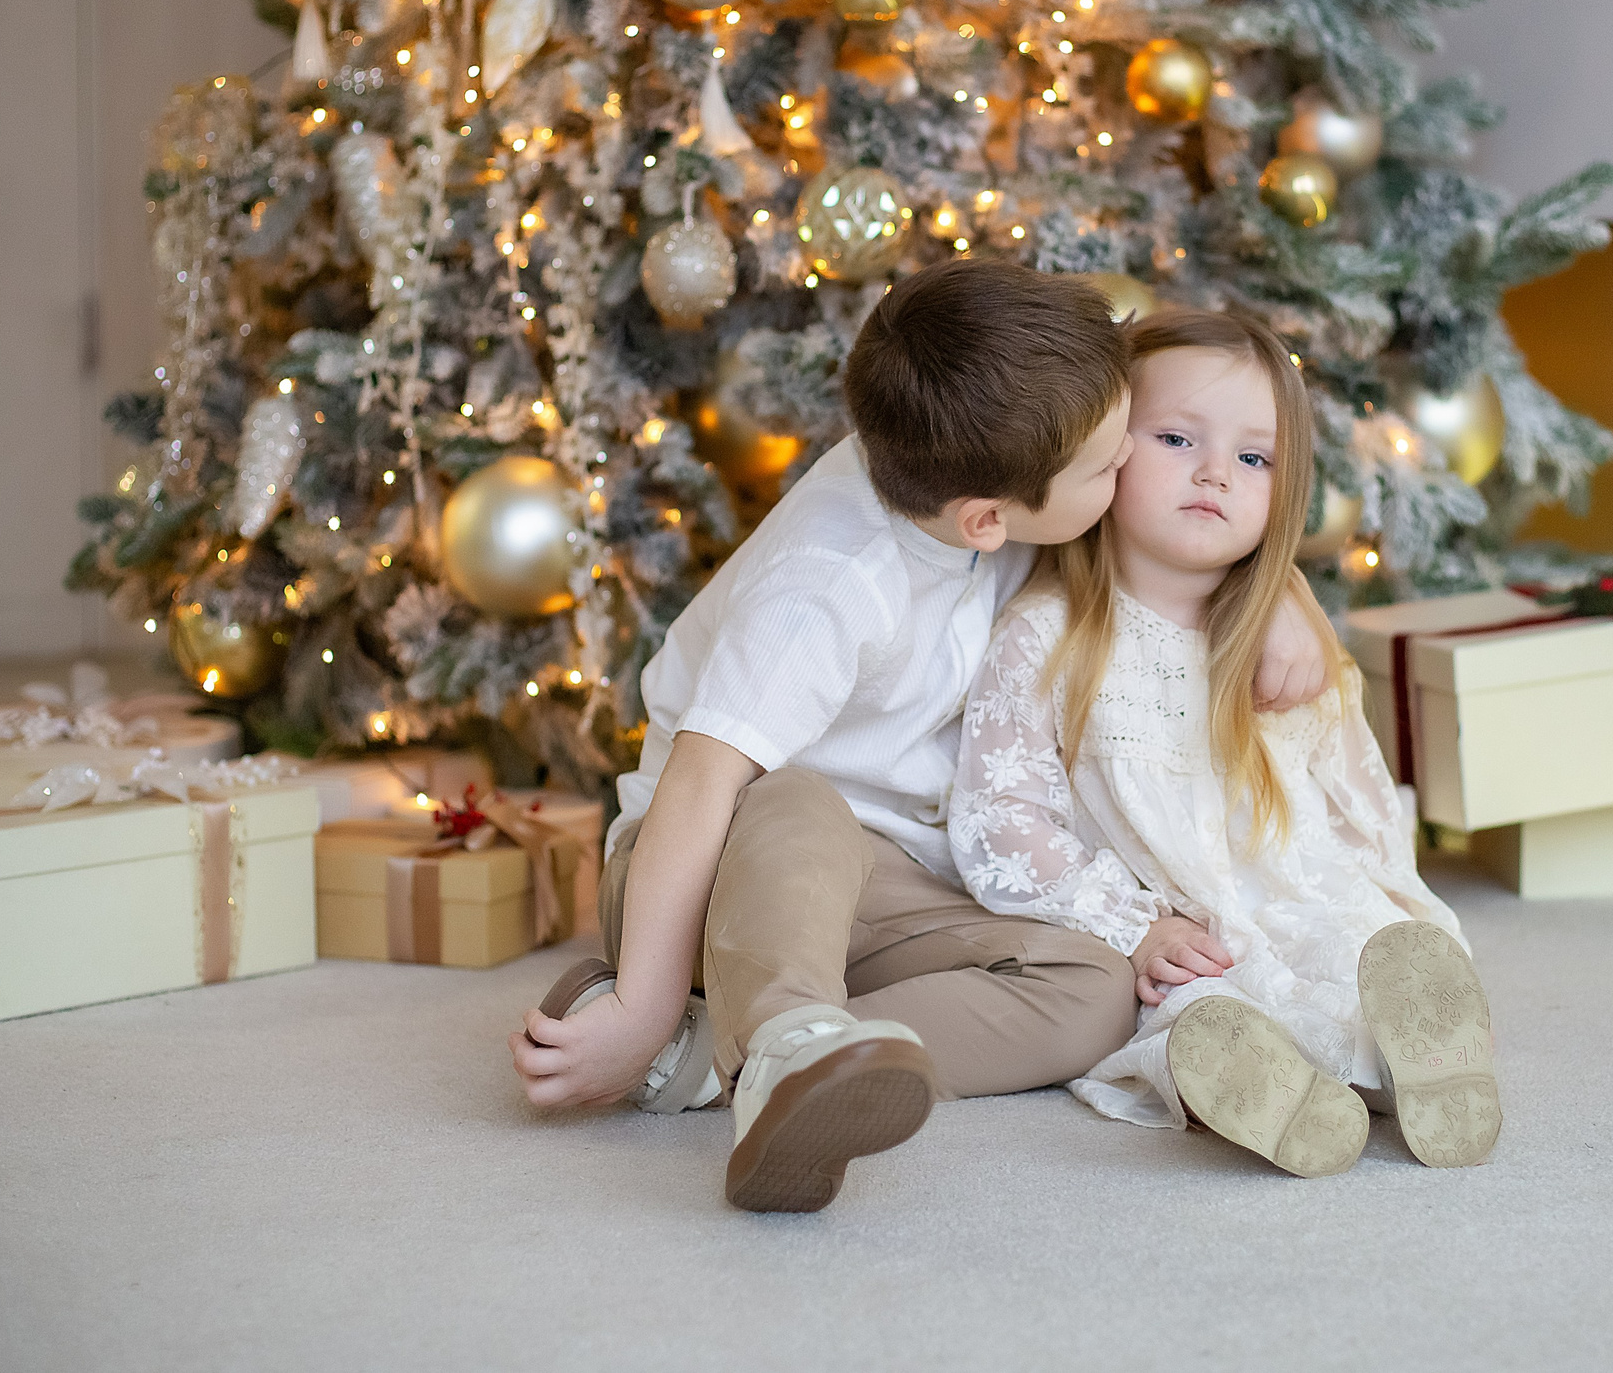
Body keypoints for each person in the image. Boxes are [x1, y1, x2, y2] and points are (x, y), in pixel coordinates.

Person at [509, 262, 1337, 1213]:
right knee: (797, 799)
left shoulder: (996, 466)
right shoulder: (829, 583)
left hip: (891, 880)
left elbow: (1176, 538)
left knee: (1094, 986)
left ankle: (725, 1059)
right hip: (716, 870)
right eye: (1112, 465)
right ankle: (774, 1036)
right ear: (990, 522)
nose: (1127, 478)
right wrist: (639, 1004)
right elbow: (698, 787)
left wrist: (1280, 596)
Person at [948, 307, 1502, 1178]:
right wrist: (1131, 926)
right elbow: (1005, 819)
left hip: (1299, 891)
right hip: (1172, 928)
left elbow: (1353, 791)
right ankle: (1262, 1089)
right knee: (1187, 1008)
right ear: (1107, 450)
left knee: (1358, 960)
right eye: (1176, 437)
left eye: (1254, 458)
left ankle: (1419, 1067)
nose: (1215, 473)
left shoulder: (1284, 642)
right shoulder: (1048, 633)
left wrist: (1392, 896)